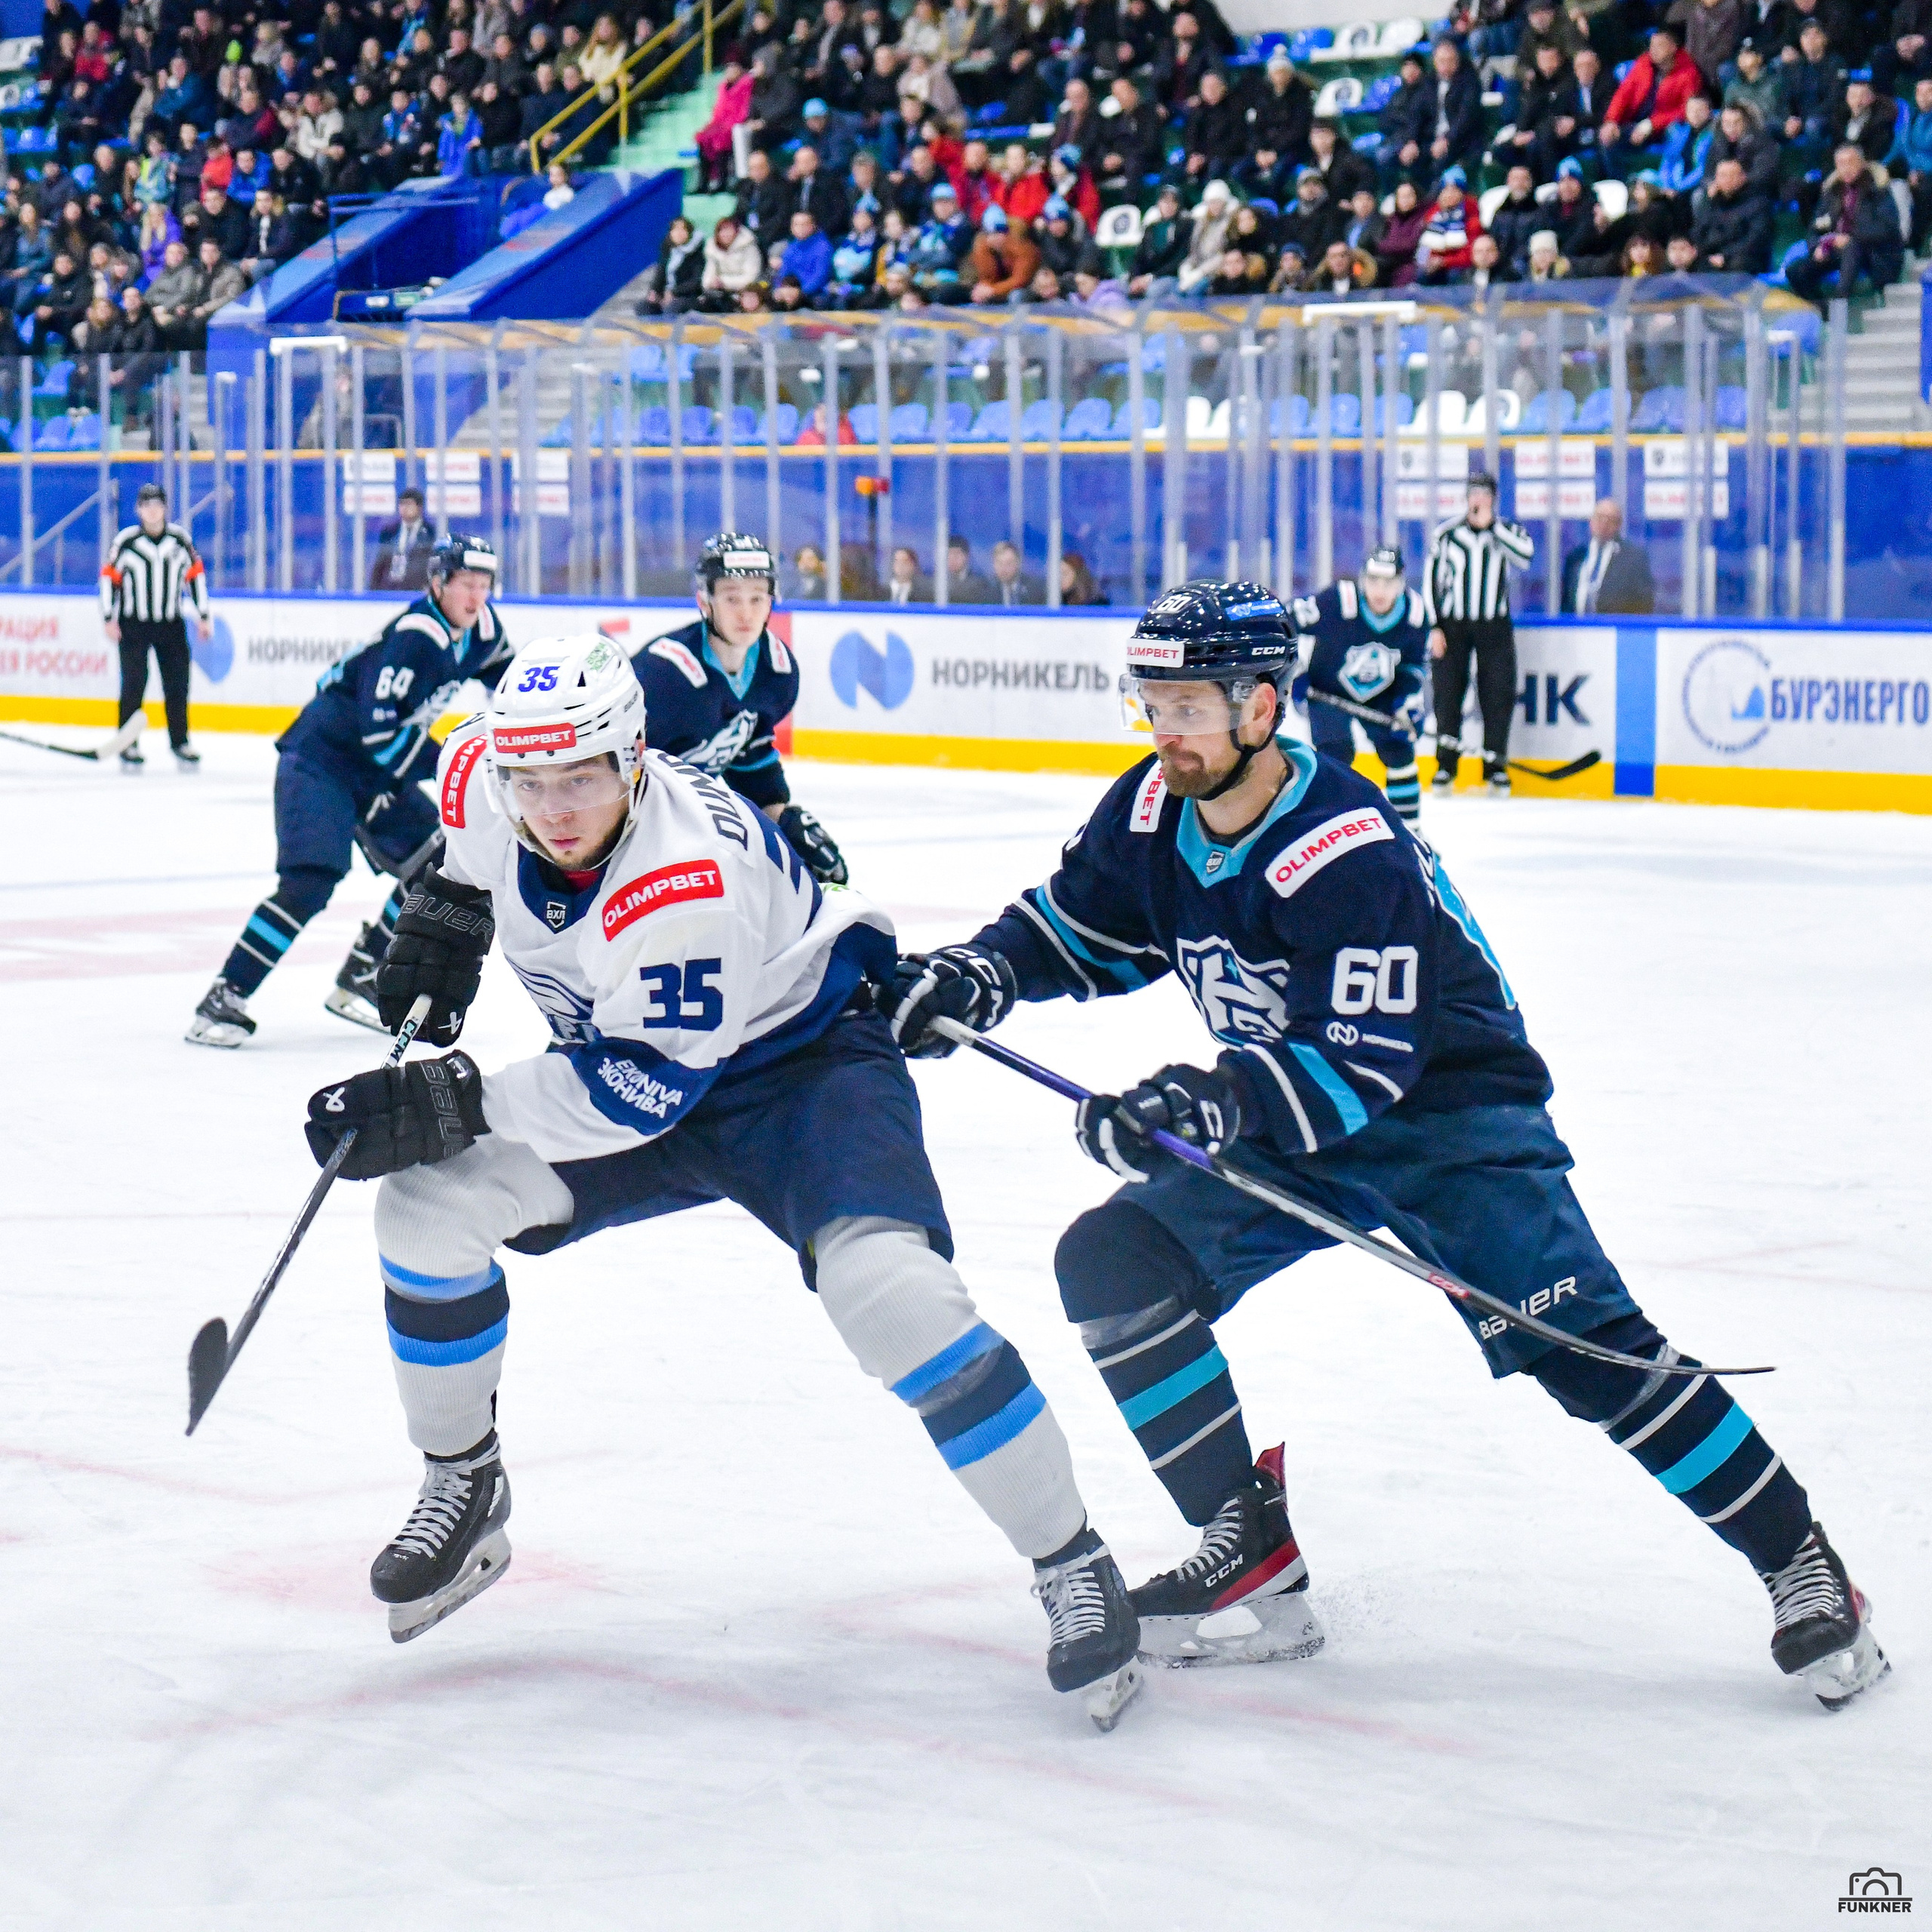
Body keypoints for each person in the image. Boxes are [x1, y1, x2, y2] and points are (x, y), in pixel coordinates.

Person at [872, 579, 1890, 1712]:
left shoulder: (1344, 843)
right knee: (1117, 1262)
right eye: (1151, 704)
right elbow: (1083, 925)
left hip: (1451, 1121)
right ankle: (1247, 1550)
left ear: (1262, 707)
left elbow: (1363, 1062)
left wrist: (1205, 1104)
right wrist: (983, 971)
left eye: (1191, 707)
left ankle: (1802, 1562)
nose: (1166, 733)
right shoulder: (1153, 809)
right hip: (1291, 1108)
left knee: (1588, 1352)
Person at [303, 635, 1143, 1728]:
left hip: (800, 1075)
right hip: (633, 1055)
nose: (554, 809)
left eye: (584, 781)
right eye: (534, 784)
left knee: (893, 1296)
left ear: (636, 761)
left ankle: (1071, 1558)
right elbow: (477, 851)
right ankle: (465, 1478)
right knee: (425, 1211)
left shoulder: (682, 880)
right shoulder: (480, 768)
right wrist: (452, 906)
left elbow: (636, 1096)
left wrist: (447, 1102)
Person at [186, 537, 510, 1048]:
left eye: (484, 585)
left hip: (373, 772)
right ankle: (224, 997)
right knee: (311, 881)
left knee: (442, 857)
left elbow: (513, 683)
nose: (476, 597)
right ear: (438, 583)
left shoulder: (483, 632)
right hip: (323, 761)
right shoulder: (415, 636)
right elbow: (380, 738)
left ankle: (363, 973)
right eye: (467, 584)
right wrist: (458, 761)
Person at [629, 533, 848, 887]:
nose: (746, 613)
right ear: (706, 600)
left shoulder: (776, 672)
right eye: (732, 598)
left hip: (689, 830)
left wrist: (785, 822)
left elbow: (751, 769)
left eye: (757, 598)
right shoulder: (662, 675)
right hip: (631, 834)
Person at [1293, 546, 1428, 823]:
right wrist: (1294, 671)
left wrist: (1407, 702)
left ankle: (1411, 831)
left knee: (1399, 752)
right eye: (1373, 580)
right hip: (1327, 692)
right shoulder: (1338, 601)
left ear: (1401, 583)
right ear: (1362, 579)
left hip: (1381, 695)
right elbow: (1285, 622)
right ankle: (1328, 826)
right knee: (1336, 755)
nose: (1380, 590)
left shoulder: (1415, 614)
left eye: (1389, 583)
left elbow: (1412, 668)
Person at [1424, 473, 1534, 796]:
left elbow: (1526, 557)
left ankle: (1496, 768)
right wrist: (1434, 626)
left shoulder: (1507, 532)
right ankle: (1446, 766)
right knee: (1447, 695)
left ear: (1494, 499)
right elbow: (1432, 583)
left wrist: (1493, 527)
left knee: (1498, 695)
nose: (1478, 499)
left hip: (1494, 626)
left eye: (1485, 494)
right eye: (1473, 493)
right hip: (1453, 626)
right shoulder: (1446, 534)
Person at [100, 481, 211, 774]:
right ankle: (128, 743)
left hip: (170, 624)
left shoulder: (179, 540)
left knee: (177, 683)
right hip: (133, 624)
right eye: (146, 505)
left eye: (157, 504)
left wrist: (203, 614)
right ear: (138, 509)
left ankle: (180, 741)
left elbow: (195, 576)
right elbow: (108, 579)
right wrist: (108, 617)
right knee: (134, 683)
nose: (152, 510)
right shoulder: (126, 541)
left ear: (165, 508)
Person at [1786, 140, 1907, 304]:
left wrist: (1849, 238)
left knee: (1852, 248)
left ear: (1862, 164)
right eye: (1841, 164)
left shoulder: (1877, 189)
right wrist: (1818, 245)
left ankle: (1840, 303)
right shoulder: (1833, 191)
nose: (1846, 168)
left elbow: (1888, 228)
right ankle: (1822, 308)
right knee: (1795, 270)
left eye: (1851, 162)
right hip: (1838, 249)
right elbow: (1814, 228)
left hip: (1876, 253)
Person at [1562, 498, 1657, 614]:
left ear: (1619, 525)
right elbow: (1566, 601)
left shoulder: (1633, 558)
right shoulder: (1576, 557)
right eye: (1600, 517)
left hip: (1615, 629)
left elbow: (1644, 604)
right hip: (1577, 629)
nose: (1604, 523)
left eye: (1610, 520)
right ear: (1591, 521)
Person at [370, 485, 435, 591]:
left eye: (409, 504)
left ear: (419, 507)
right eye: (402, 504)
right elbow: (380, 562)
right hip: (390, 589)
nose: (404, 508)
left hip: (417, 590)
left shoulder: (430, 532)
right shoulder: (390, 531)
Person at [989, 539, 1044, 606]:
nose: (1004, 568)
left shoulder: (1034, 590)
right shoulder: (986, 591)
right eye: (1000, 563)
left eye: (1009, 563)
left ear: (1018, 563)